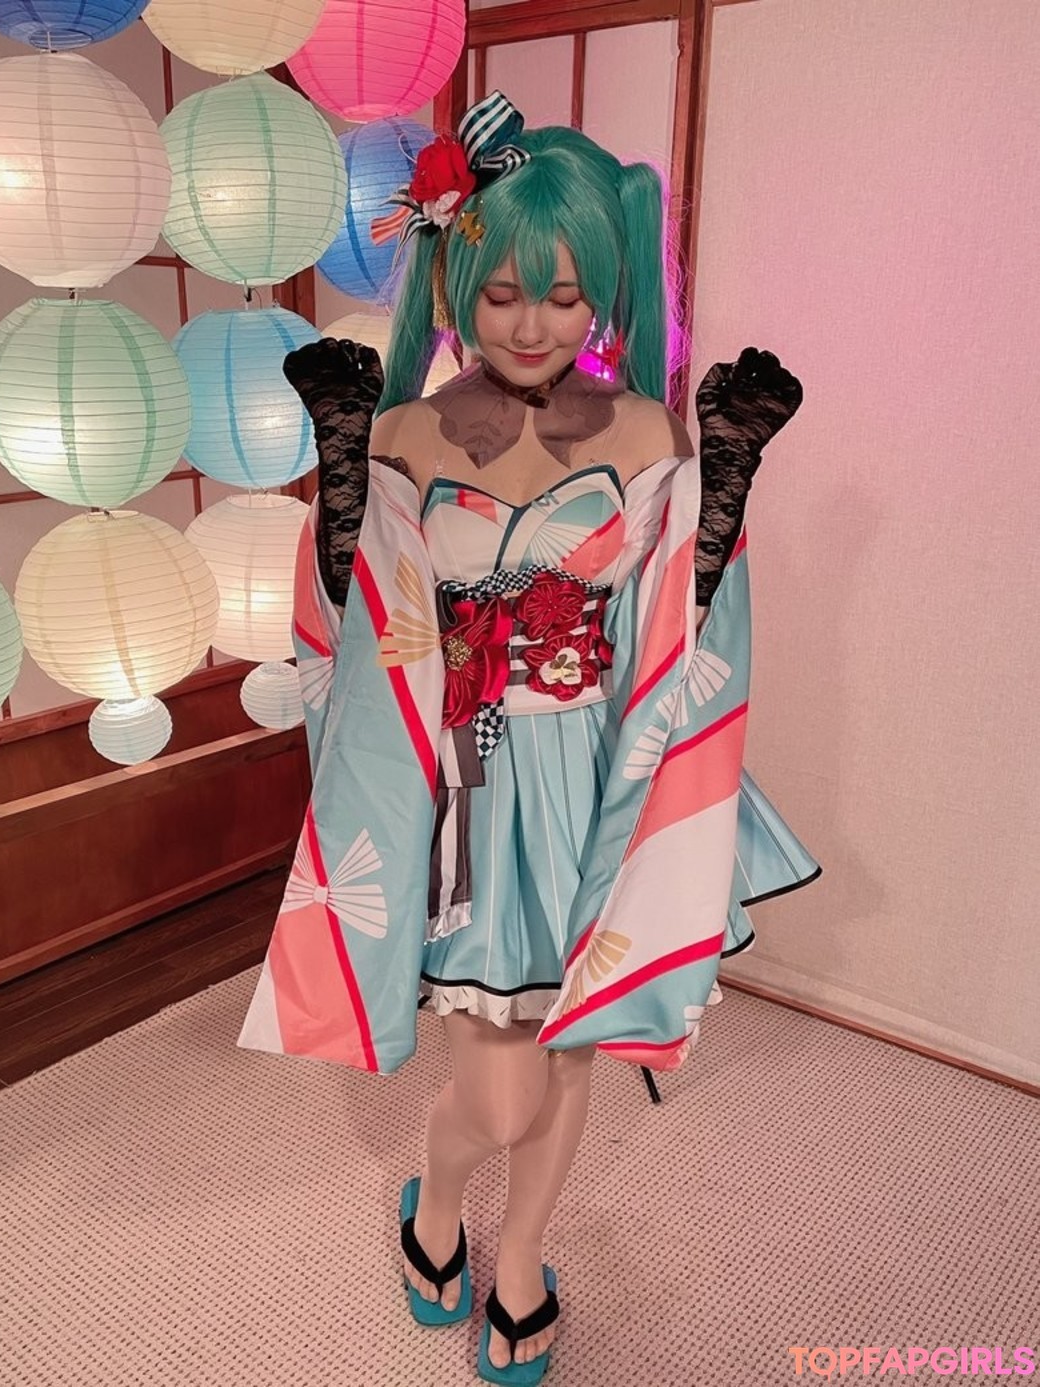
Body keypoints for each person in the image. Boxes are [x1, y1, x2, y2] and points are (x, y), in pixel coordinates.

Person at [238, 93, 820, 1385]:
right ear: (454, 279)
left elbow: (680, 622)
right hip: (467, 786)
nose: (533, 324)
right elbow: (350, 627)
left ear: (603, 292)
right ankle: (438, 1202)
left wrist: (722, 489)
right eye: (502, 293)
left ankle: (517, 1262)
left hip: (598, 781)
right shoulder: (401, 434)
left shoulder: (649, 432)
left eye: (565, 295)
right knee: (500, 1093)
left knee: (570, 1053)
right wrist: (346, 480)